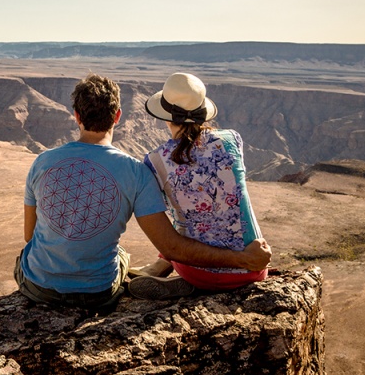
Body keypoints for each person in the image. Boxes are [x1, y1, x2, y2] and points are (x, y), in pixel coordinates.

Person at [14, 73, 272, 310]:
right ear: (117, 116)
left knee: (34, 254)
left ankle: (163, 271)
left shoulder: (42, 162)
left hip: (40, 289)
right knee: (129, 251)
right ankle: (157, 269)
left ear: (76, 116)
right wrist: (245, 259)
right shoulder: (140, 170)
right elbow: (170, 243)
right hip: (100, 292)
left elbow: (29, 236)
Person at [128, 72, 269, 300]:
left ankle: (185, 279)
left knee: (182, 221)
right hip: (254, 265)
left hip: (197, 269)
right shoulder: (232, 139)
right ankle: (169, 270)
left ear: (166, 117)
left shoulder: (155, 161)